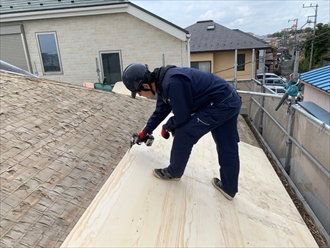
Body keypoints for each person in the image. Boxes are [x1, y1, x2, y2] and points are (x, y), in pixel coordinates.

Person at [122, 63, 242, 200]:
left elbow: (182, 117)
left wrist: (167, 126)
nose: (140, 95)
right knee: (227, 145)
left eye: (139, 92)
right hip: (229, 99)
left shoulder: (172, 83)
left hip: (220, 104)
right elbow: (160, 112)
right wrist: (145, 132)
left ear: (146, 85)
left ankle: (174, 172)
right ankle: (229, 188)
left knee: (185, 132)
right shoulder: (162, 83)